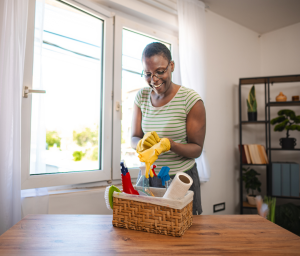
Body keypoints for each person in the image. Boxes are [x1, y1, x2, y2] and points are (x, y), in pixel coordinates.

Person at [131, 42, 206, 215]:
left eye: (160, 71)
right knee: (149, 230)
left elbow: (197, 149)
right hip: (149, 177)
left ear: (171, 66)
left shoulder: (191, 100)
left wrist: (170, 144)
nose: (154, 80)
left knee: (185, 232)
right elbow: (133, 137)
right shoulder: (141, 97)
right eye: (148, 74)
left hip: (180, 180)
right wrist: (141, 144)